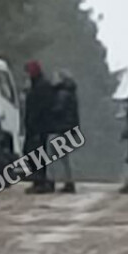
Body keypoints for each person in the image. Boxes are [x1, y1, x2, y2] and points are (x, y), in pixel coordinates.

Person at [23, 60, 56, 194]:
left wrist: (34, 122)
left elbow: (40, 108)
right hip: (35, 126)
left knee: (35, 153)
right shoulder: (38, 85)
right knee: (32, 153)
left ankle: (41, 181)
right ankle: (39, 180)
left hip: (39, 126)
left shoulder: (41, 87)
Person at [50, 70, 79, 193]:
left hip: (63, 128)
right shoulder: (71, 93)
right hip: (71, 128)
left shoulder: (62, 94)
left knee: (54, 152)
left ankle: (59, 180)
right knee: (65, 156)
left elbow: (57, 110)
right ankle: (69, 180)